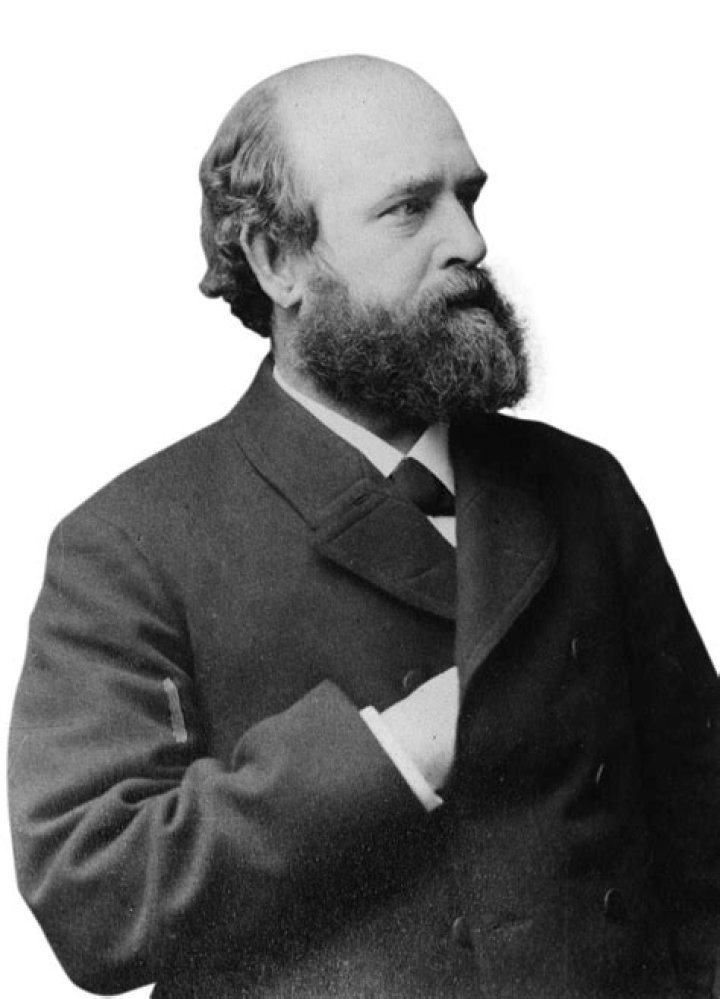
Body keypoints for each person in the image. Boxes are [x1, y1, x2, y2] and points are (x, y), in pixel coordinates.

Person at [8, 54, 720, 999]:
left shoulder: (582, 488)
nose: (468, 242)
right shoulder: (131, 541)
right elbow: (94, 893)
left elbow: (705, 840)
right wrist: (395, 752)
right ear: (278, 260)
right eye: (409, 209)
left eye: (469, 198)